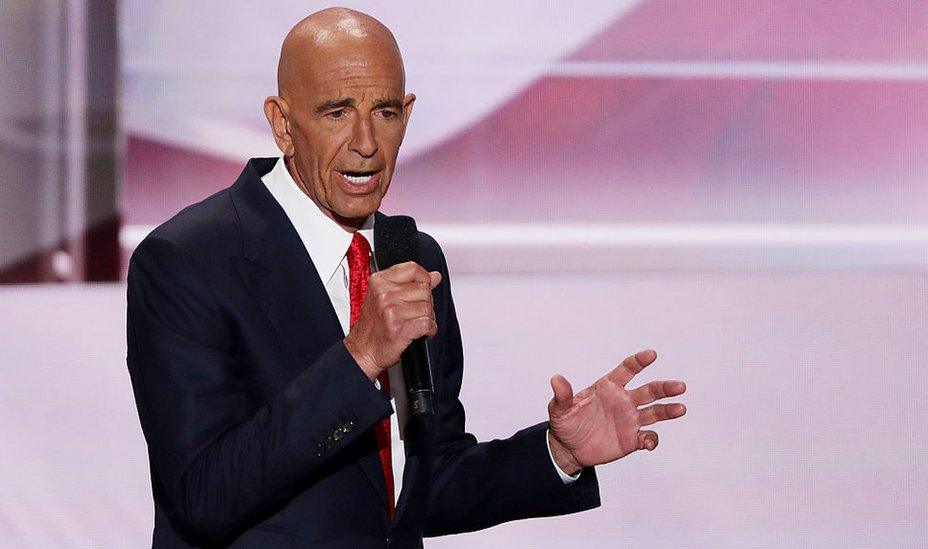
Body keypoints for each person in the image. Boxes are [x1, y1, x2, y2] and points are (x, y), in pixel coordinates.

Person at [125, 7, 687, 548]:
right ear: (281, 123)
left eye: (386, 112)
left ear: (409, 114)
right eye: (336, 112)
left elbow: (423, 485)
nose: (367, 143)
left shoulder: (409, 254)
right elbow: (203, 498)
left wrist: (557, 455)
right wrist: (359, 359)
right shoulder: (186, 260)